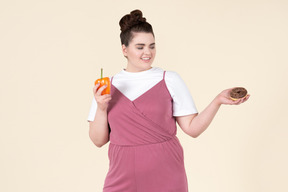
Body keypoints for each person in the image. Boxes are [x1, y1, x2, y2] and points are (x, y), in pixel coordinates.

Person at [87, 9, 249, 192]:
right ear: (124, 49)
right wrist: (101, 108)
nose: (147, 52)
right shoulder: (107, 86)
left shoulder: (169, 79)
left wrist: (218, 100)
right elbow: (98, 140)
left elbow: (192, 128)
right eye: (140, 47)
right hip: (121, 176)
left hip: (166, 174)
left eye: (152, 46)